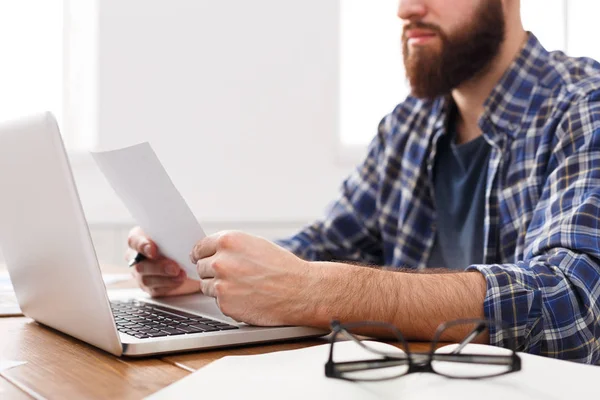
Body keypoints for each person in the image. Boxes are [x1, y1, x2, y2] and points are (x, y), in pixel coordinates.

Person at [126, 0, 600, 363]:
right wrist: (209, 269)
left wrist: (315, 291)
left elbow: (572, 302)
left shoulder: (584, 108)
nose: (406, 9)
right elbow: (326, 244)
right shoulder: (407, 126)